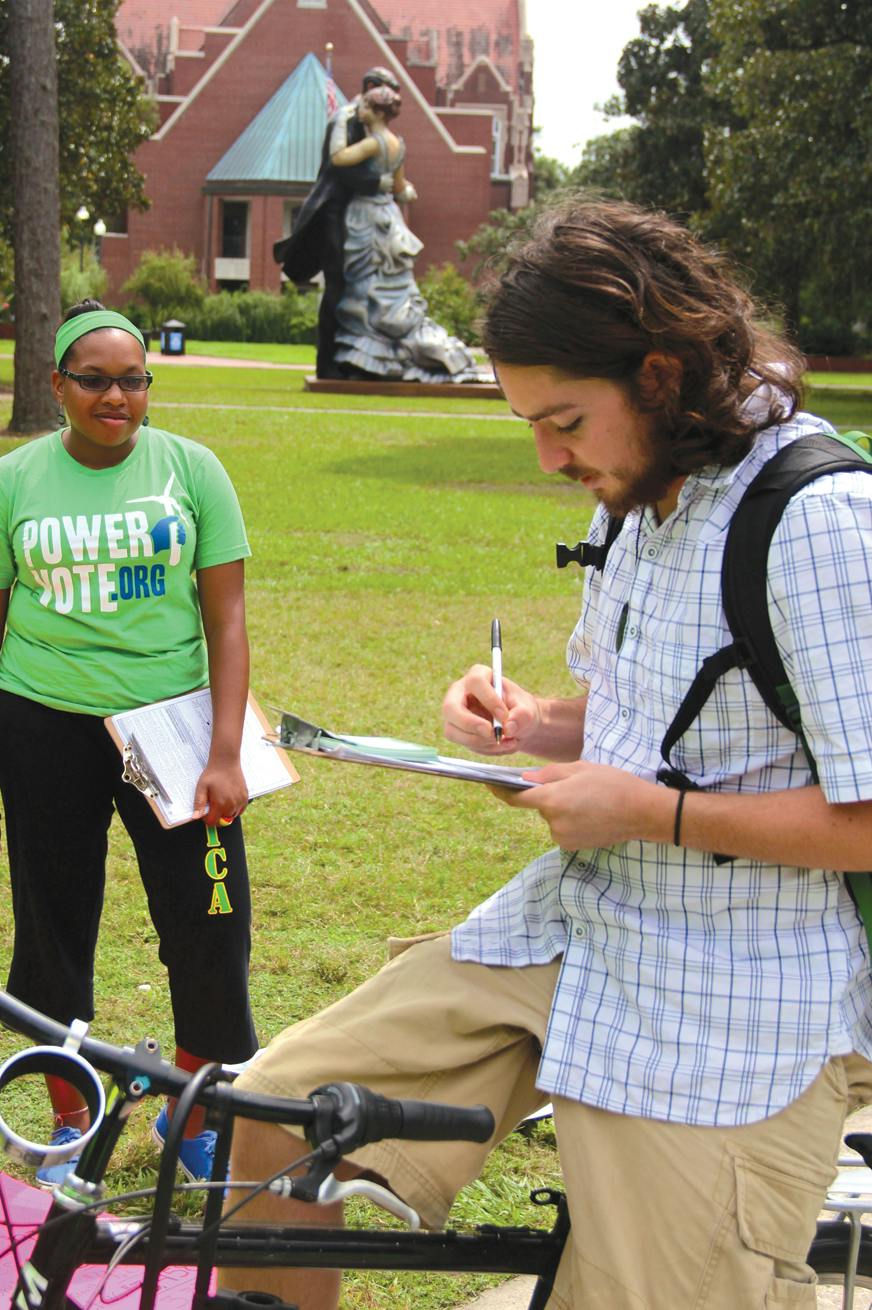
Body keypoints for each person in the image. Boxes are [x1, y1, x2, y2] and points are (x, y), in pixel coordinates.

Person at [221, 199, 872, 1308]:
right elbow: (665, 714)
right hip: (582, 926)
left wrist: (647, 811)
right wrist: (530, 721)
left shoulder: (818, 519)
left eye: (562, 419)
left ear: (659, 376)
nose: (545, 454)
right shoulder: (642, 491)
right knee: (283, 1115)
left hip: (730, 1003)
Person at [0, 301, 256, 1187]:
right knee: (52, 926)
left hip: (174, 728)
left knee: (211, 921)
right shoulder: (11, 483)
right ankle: (68, 1119)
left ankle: (190, 1111)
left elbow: (226, 621)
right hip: (42, 724)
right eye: (95, 379)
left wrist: (225, 751)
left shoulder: (194, 472)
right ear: (58, 386)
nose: (115, 396)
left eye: (133, 380)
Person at [328, 86, 482, 383]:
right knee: (390, 287)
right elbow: (401, 189)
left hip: (368, 218)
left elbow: (338, 158)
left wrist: (338, 122)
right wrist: (404, 190)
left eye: (364, 107)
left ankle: (374, 358)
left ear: (376, 113)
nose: (359, 110)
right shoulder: (397, 144)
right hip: (390, 218)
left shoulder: (374, 143)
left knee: (366, 287)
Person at [274, 66, 400, 379]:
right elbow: (339, 167)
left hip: (358, 215)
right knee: (338, 285)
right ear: (371, 87)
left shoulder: (367, 124)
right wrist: (378, 182)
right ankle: (328, 364)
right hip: (333, 210)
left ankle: (355, 357)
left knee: (355, 285)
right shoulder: (346, 118)